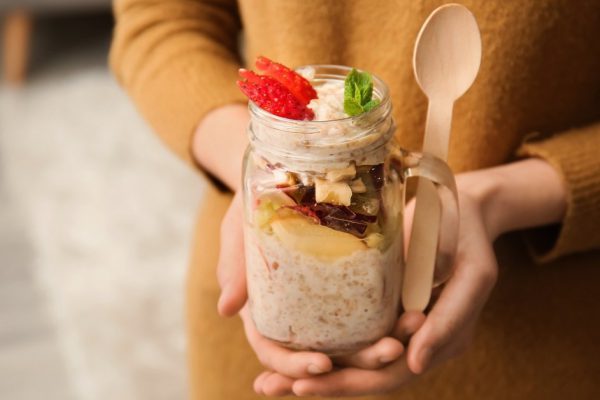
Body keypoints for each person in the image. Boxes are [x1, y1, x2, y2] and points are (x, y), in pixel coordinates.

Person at [110, 1, 600, 399]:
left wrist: (497, 199)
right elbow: (160, 19)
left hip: (542, 344)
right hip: (256, 339)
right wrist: (275, 173)